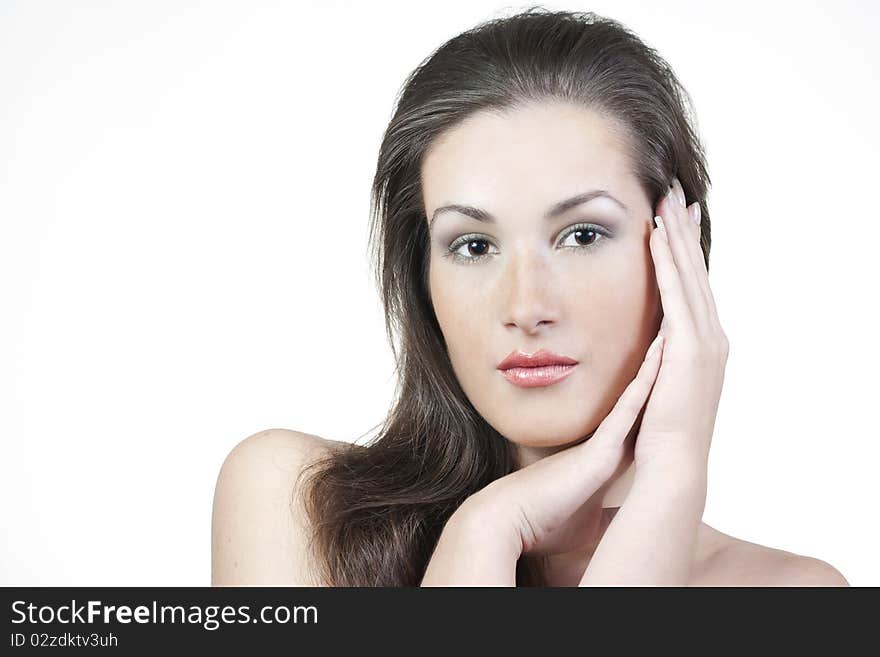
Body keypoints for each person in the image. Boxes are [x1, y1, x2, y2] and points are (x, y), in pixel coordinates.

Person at [211, 7, 849, 587]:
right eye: (473, 246)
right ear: (422, 276)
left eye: (581, 234)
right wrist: (484, 529)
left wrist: (673, 473)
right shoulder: (298, 504)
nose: (525, 306)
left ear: (677, 251)